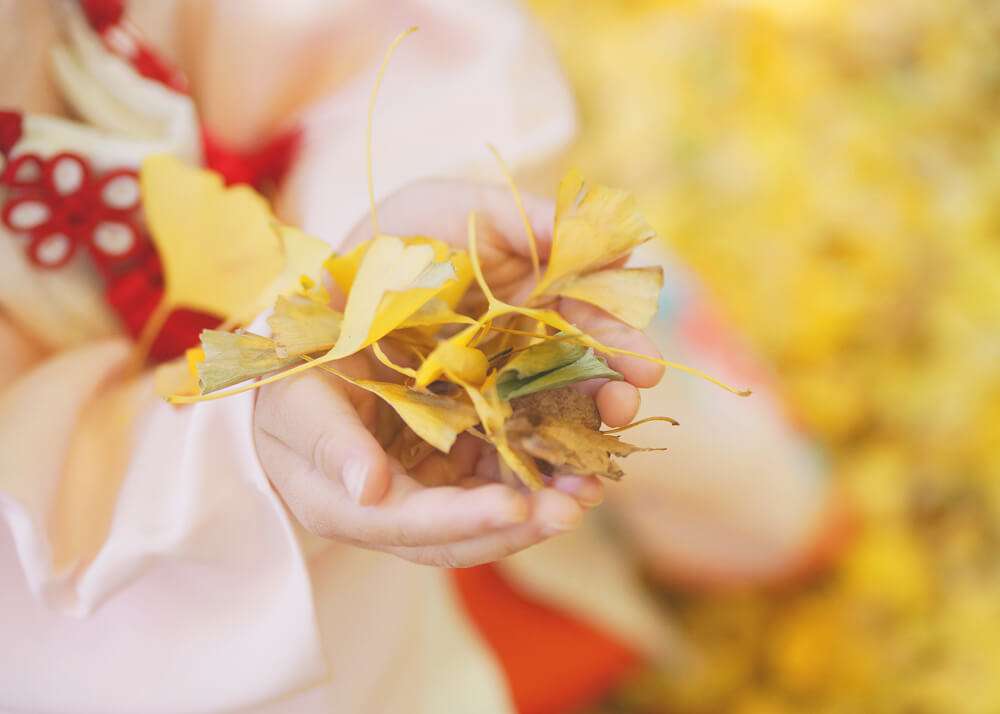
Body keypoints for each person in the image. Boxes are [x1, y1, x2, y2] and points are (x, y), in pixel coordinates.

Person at [0, 2, 844, 712]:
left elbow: (352, 36)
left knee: (556, 358)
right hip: (134, 541)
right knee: (365, 633)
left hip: (340, 227)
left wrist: (380, 245)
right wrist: (236, 453)